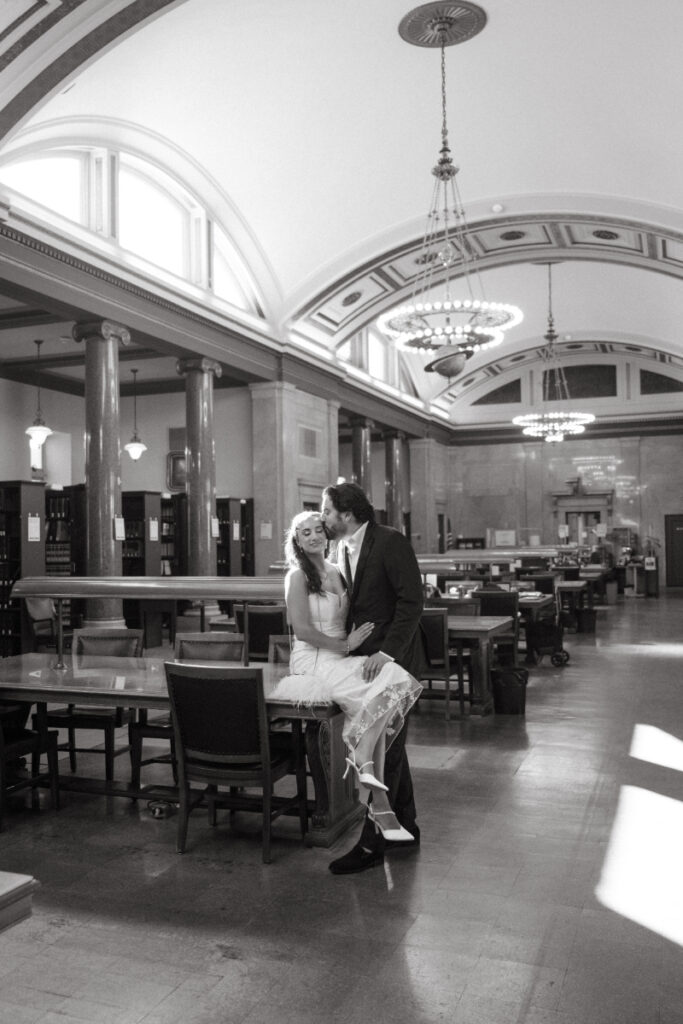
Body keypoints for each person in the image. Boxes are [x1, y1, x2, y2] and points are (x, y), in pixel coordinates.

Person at [270, 510, 422, 843]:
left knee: (395, 676)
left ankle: (367, 766)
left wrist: (362, 642)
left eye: (317, 530)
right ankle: (372, 782)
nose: (312, 537)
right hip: (315, 659)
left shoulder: (338, 570)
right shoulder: (297, 576)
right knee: (375, 704)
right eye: (304, 533)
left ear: (326, 534)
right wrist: (346, 644)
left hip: (343, 655)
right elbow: (303, 630)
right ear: (296, 541)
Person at [321, 481, 426, 875]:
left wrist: (387, 653)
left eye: (328, 511)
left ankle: (372, 842)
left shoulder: (390, 541)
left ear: (346, 514)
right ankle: (405, 828)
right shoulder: (340, 548)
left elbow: (412, 601)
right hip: (364, 663)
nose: (324, 517)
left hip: (393, 663)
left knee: (379, 751)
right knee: (390, 747)